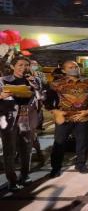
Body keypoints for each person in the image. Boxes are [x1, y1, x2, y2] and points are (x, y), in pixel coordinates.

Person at [49, 60, 88, 177]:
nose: (74, 69)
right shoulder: (56, 84)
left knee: (82, 142)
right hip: (64, 118)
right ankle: (56, 168)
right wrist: (55, 111)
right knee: (59, 143)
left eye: (76, 66)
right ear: (63, 70)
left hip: (82, 118)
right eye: (70, 67)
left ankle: (80, 164)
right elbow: (48, 100)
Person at [0, 56, 41, 191]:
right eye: (20, 65)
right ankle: (12, 179)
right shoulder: (3, 81)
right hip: (9, 118)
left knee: (26, 149)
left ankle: (25, 175)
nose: (24, 68)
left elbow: (41, 97)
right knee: (9, 150)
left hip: (27, 117)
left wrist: (34, 85)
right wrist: (1, 96)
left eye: (26, 65)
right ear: (13, 66)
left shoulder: (35, 80)